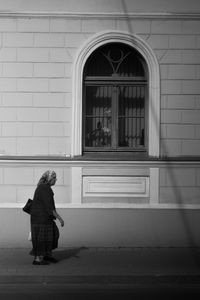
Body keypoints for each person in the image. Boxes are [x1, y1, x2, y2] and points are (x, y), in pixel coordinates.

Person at [30, 170, 64, 265]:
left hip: (42, 218)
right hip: (42, 218)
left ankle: (47, 255)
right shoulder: (45, 189)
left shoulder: (43, 187)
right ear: (50, 179)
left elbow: (49, 206)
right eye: (54, 178)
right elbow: (49, 207)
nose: (55, 180)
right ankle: (38, 259)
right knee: (43, 238)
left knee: (52, 235)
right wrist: (60, 218)